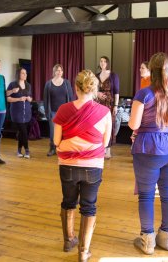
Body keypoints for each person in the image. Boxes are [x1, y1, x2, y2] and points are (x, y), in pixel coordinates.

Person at [129, 53, 168, 255]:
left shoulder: (144, 94)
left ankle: (148, 241)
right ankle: (166, 239)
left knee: (146, 195)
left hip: (149, 149)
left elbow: (133, 125)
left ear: (151, 71)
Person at [54, 70, 111, 262]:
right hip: (93, 166)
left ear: (75, 87)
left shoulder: (63, 110)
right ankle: (83, 252)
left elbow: (56, 141)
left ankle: (68, 240)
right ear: (94, 88)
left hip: (67, 164)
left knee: (68, 201)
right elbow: (105, 142)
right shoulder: (105, 112)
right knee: (89, 206)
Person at [43, 64, 74, 157]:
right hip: (52, 111)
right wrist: (47, 112)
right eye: (57, 70)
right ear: (54, 72)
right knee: (53, 131)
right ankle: (52, 148)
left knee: (64, 131)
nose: (59, 72)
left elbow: (71, 98)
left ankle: (62, 148)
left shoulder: (66, 83)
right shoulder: (48, 84)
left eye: (61, 70)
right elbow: (45, 99)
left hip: (65, 112)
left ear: (62, 72)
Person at [95, 56, 120, 159]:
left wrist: (116, 106)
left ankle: (108, 150)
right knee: (99, 126)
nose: (102, 63)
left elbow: (117, 92)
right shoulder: (96, 76)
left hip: (109, 104)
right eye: (101, 61)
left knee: (109, 126)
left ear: (107, 63)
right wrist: (97, 93)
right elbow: (92, 90)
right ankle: (100, 149)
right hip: (98, 104)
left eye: (104, 61)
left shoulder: (113, 75)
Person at [6, 67, 33, 158]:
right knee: (23, 132)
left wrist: (30, 99)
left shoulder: (28, 85)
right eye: (23, 73)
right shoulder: (12, 84)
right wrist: (18, 99)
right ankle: (27, 150)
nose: (25, 75)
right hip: (17, 112)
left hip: (27, 112)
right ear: (18, 74)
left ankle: (18, 150)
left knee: (22, 132)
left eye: (26, 73)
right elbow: (8, 98)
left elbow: (31, 97)